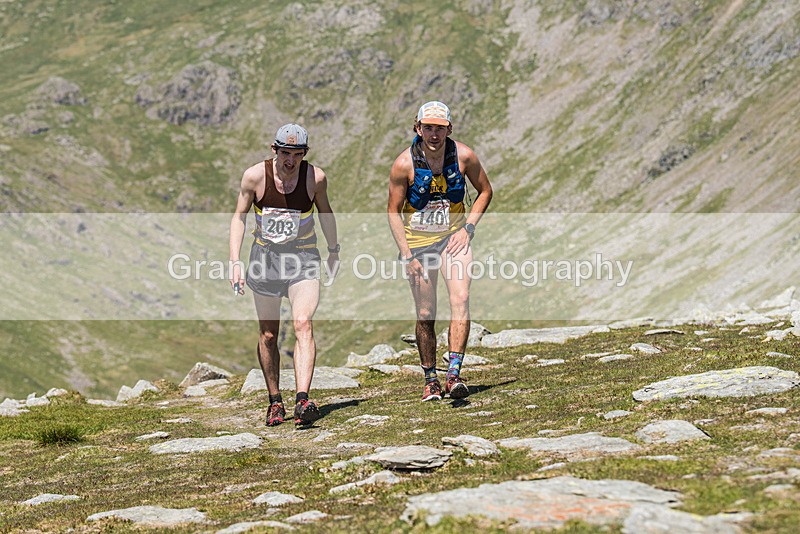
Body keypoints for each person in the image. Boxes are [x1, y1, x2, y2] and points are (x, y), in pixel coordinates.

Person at [229, 123, 339, 426]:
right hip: (264, 258)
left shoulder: (315, 178)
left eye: (298, 154)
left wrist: (334, 250)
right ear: (274, 149)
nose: (291, 160)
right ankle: (275, 401)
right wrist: (234, 260)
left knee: (303, 323)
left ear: (305, 154)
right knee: (268, 334)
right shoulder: (254, 177)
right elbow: (239, 217)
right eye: (285, 153)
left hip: (302, 257)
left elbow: (325, 212)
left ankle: (303, 400)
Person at [387, 101, 493, 401]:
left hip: (453, 239)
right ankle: (430, 378)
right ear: (417, 128)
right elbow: (393, 211)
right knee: (425, 312)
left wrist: (468, 228)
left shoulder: (464, 156)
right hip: (418, 243)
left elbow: (486, 191)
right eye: (429, 128)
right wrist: (406, 254)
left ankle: (454, 374)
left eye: (440, 128)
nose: (434, 134)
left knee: (461, 298)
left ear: (450, 128)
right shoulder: (403, 165)